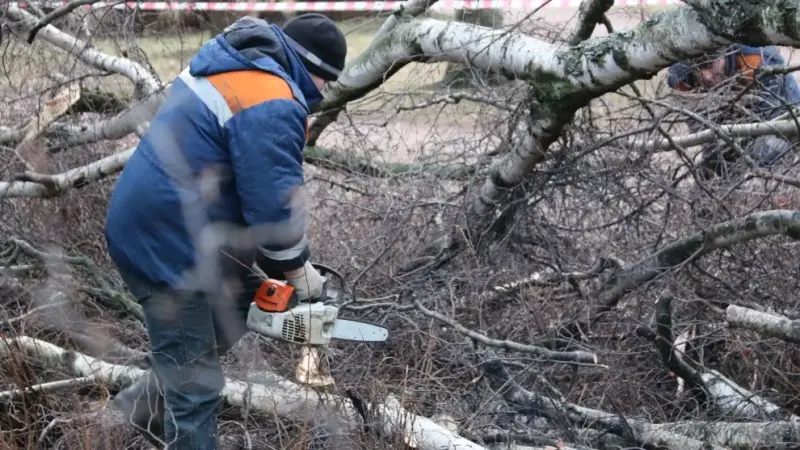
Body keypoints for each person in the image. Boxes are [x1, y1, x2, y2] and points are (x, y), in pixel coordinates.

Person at [103, 13, 347, 449]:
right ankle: (147, 425)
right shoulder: (272, 97)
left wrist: (284, 275)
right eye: (326, 82)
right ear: (313, 69)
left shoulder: (239, 66)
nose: (323, 93)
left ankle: (125, 418)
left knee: (236, 310)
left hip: (175, 229)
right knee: (196, 389)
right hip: (168, 243)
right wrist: (299, 270)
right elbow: (274, 211)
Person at [666, 44, 800, 179]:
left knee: (764, 156)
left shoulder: (758, 59)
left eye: (709, 65)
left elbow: (779, 123)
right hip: (729, 126)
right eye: (698, 68)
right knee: (710, 173)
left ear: (724, 53)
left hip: (778, 119)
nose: (706, 76)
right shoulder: (681, 78)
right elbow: (703, 133)